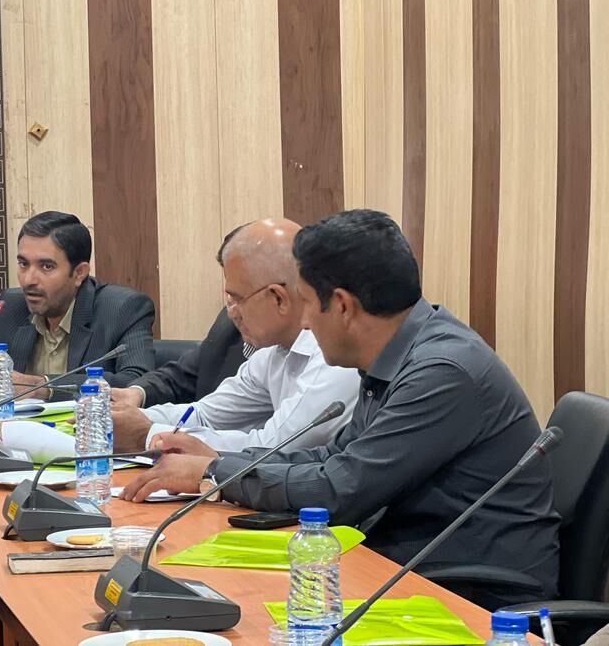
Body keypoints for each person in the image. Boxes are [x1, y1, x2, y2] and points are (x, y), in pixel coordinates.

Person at [120, 209, 559, 607]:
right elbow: (334, 457)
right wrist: (220, 463)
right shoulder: (396, 354)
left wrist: (216, 473)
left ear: (343, 306)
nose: (304, 321)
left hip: (471, 595)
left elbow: (340, 490)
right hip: (400, 568)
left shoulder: (442, 371)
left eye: (308, 303)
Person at [112, 219, 358, 453]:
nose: (232, 313)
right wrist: (126, 417)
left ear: (278, 298)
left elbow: (271, 448)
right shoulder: (273, 352)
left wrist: (147, 434)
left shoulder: (334, 358)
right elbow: (204, 415)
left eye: (237, 298)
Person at [0, 210, 155, 398]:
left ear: (79, 273)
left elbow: (134, 381)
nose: (29, 279)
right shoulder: (11, 308)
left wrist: (41, 386)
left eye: (46, 267)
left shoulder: (122, 309)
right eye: (23, 264)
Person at [110, 308, 249, 410]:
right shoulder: (229, 325)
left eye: (239, 296)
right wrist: (137, 393)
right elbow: (180, 377)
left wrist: (149, 427)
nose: (232, 306)